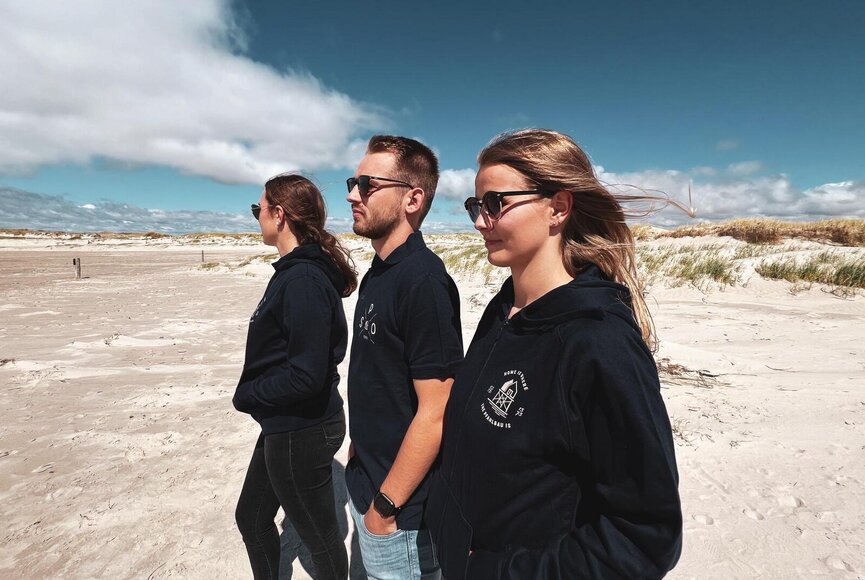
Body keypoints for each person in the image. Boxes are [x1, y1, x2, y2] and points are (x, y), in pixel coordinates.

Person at [427, 129, 683, 579]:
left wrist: (494, 571)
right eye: (475, 205)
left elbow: (645, 539)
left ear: (558, 208)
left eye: (495, 203)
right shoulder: (504, 309)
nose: (480, 221)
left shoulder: (599, 343)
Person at [344, 135, 464, 580]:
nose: (353, 195)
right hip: (367, 482)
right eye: (353, 182)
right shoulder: (380, 272)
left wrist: (386, 506)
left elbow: (437, 411)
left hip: (400, 514)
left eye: (368, 185)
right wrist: (360, 449)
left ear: (412, 199)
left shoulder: (424, 282)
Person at [234, 174, 357, 580]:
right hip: (285, 423)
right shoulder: (294, 272)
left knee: (320, 539)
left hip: (302, 428)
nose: (257, 217)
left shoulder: (303, 279)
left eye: (259, 209)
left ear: (279, 214)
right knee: (252, 517)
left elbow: (307, 375)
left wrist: (249, 394)